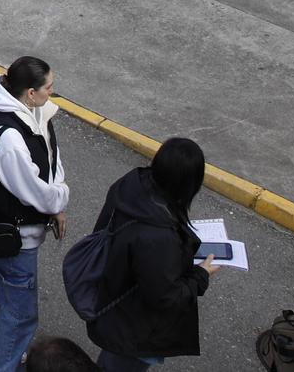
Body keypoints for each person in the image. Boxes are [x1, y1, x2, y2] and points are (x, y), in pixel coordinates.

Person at [0, 56, 70, 372]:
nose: (53, 92)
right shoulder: (10, 138)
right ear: (30, 93)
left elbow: (51, 161)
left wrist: (56, 197)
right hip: (18, 235)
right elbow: (33, 189)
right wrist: (59, 201)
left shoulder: (29, 114)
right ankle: (1, 365)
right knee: (21, 314)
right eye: (49, 87)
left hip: (7, 230)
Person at [82, 137, 215, 371]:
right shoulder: (157, 237)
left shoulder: (130, 186)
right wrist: (201, 274)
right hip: (134, 328)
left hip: (115, 303)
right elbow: (165, 296)